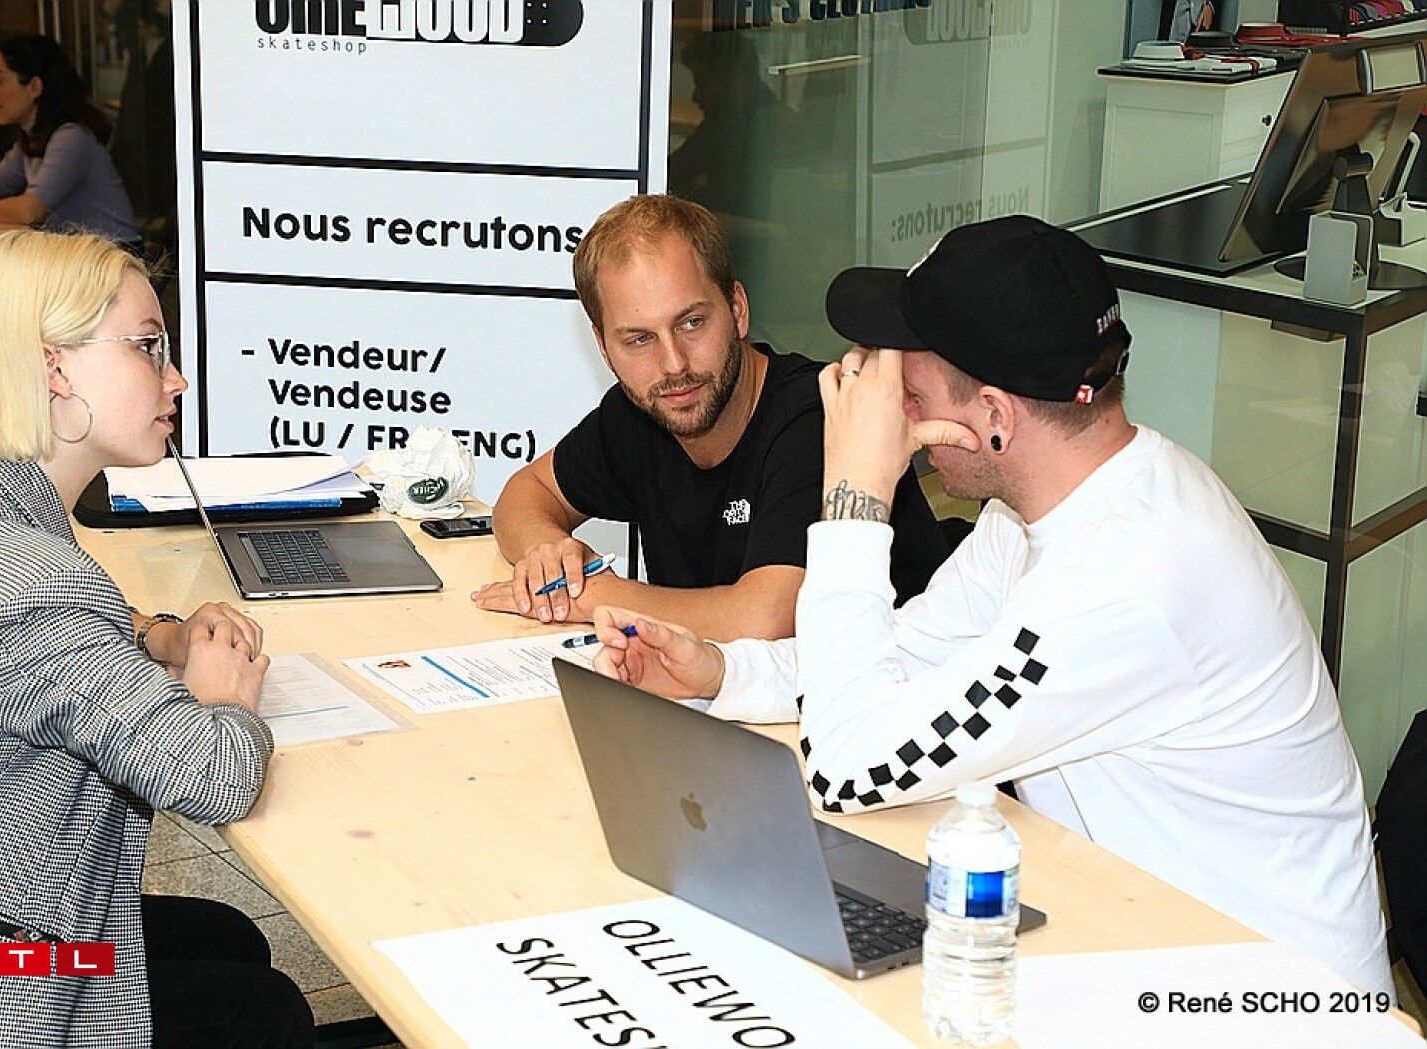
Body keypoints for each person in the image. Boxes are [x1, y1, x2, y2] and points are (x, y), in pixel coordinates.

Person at [588, 215, 1392, 996]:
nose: (892, 407)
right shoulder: (1045, 509)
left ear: (996, 418)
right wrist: (722, 672)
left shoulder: (1124, 579)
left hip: (1267, 1002)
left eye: (911, 389)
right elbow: (899, 660)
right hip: (1145, 940)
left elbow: (846, 767)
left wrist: (854, 495)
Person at [0, 230, 312, 1047]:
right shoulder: (35, 585)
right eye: (146, 346)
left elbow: (29, 644)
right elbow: (214, 774)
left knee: (227, 937)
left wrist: (158, 636)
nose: (175, 377)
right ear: (55, 369)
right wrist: (225, 699)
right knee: (264, 1012)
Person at [472, 195, 948, 640]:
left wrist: (596, 596)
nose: (673, 364)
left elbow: (766, 617)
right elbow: (525, 493)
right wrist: (550, 555)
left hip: (899, 685)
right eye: (639, 339)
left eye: (692, 323)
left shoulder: (817, 416)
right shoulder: (640, 412)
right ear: (603, 346)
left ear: (737, 310)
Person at [0, 35, 142, 247]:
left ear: (34, 87)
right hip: (81, 255)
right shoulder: (34, 138)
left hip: (113, 257)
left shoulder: (71, 137)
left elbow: (29, 212)